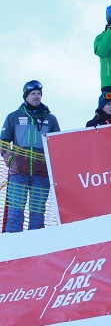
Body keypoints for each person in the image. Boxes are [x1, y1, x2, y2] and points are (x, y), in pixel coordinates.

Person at [1, 81, 60, 233]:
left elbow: (58, 144)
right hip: (19, 172)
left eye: (39, 94)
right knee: (16, 209)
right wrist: (10, 159)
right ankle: (13, 242)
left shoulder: (50, 119)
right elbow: (3, 142)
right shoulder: (14, 117)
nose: (36, 97)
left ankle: (36, 245)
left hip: (42, 173)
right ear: (26, 96)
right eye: (33, 94)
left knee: (38, 212)